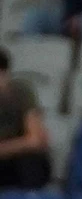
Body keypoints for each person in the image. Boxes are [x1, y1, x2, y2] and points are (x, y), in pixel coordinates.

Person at [0, 49, 51, 191]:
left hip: (19, 160)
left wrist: (4, 148)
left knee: (31, 161)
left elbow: (34, 140)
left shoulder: (21, 92)